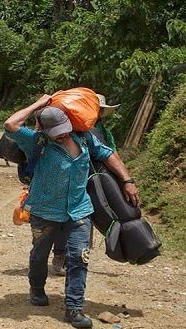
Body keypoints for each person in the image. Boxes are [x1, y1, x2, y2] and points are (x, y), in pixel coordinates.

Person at [4, 95, 139, 329]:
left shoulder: (84, 138)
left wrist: (127, 179)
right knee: (39, 255)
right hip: (45, 212)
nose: (62, 134)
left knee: (79, 258)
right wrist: (38, 104)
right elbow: (10, 125)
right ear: (43, 130)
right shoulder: (35, 142)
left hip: (79, 211)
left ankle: (74, 308)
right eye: (56, 131)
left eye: (65, 128)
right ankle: (37, 289)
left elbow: (108, 154)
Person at [50, 93, 121, 276]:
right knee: (62, 220)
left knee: (86, 217)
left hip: (94, 181)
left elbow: (111, 153)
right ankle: (60, 255)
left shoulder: (102, 131)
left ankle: (78, 256)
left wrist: (122, 179)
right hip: (68, 182)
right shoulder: (67, 130)